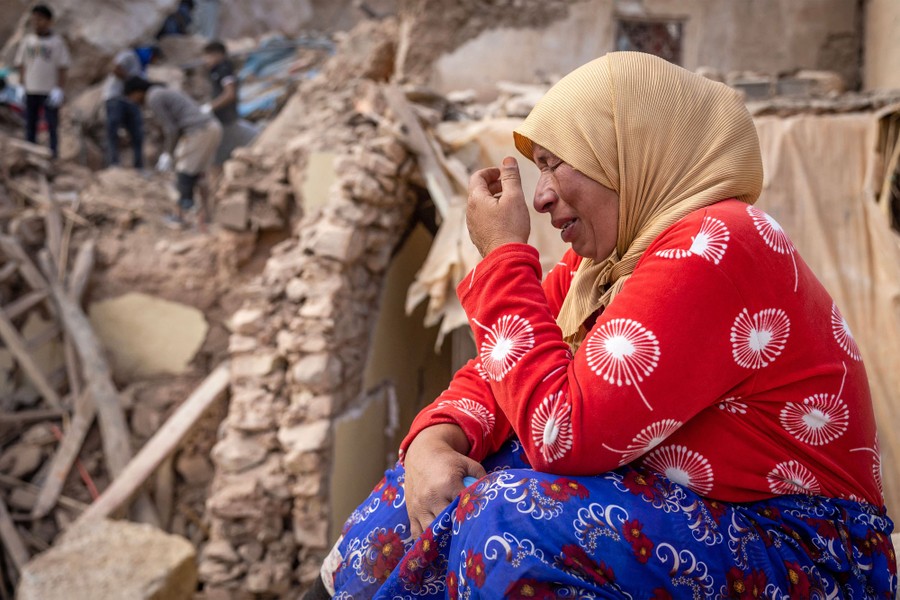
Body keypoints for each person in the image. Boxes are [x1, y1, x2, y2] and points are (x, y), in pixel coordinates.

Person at [311, 52, 896, 599]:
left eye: (554, 164)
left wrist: (500, 259)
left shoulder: (720, 243)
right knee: (415, 498)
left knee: (507, 516)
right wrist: (433, 442)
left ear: (628, 149)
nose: (539, 197)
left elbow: (562, 436)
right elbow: (500, 374)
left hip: (804, 547)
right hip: (696, 516)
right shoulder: (603, 267)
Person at [123, 76, 222, 228]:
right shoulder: (160, 92)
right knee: (200, 175)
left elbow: (171, 129)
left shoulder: (153, 97)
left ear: (137, 92)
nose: (132, 100)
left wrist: (167, 154)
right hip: (212, 127)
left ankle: (180, 216)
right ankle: (207, 217)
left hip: (199, 131)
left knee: (184, 173)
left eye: (131, 96)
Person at [14, 4, 70, 159]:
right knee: (30, 124)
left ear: (49, 21)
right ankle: (29, 155)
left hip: (49, 90)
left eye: (40, 19)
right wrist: (20, 85)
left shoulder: (57, 43)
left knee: (52, 125)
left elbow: (62, 67)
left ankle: (53, 156)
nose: (36, 22)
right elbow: (21, 64)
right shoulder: (28, 41)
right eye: (34, 19)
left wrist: (59, 88)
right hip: (31, 89)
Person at [102, 45, 162, 169]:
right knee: (113, 130)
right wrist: (131, 81)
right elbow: (115, 68)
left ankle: (139, 166)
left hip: (131, 102)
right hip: (115, 97)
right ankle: (113, 164)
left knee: (137, 133)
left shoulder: (142, 68)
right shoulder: (129, 55)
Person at [202, 41, 258, 167]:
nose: (206, 60)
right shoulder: (216, 71)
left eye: (208, 56)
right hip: (224, 121)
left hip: (226, 121)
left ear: (218, 55)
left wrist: (210, 107)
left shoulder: (224, 69)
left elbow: (230, 94)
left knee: (216, 162)